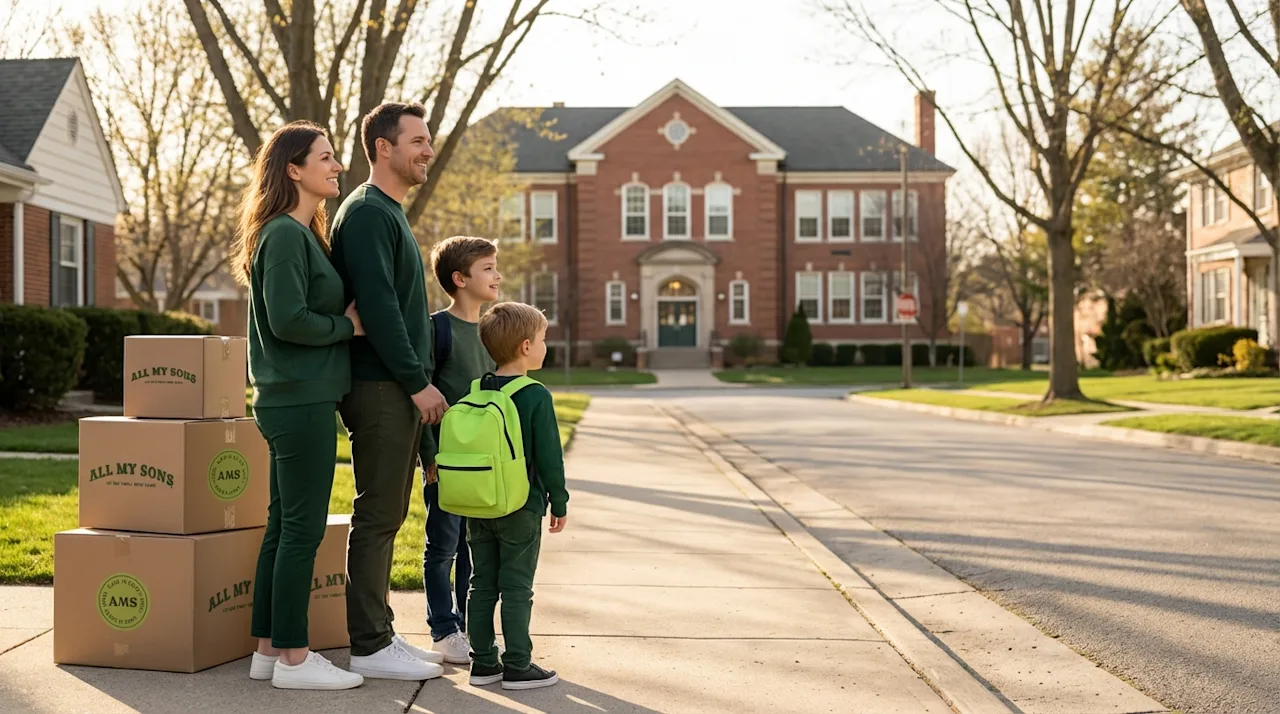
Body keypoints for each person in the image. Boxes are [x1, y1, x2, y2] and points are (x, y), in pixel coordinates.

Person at [235, 121, 364, 690]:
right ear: (294, 169)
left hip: (293, 397)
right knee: (301, 532)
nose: (337, 166)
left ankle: (266, 649)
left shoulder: (298, 232)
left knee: (283, 526)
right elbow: (288, 320)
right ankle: (294, 657)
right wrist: (348, 325)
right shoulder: (285, 234)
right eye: (327, 157)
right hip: (299, 398)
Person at [329, 102, 447, 681]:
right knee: (377, 516)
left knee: (390, 514)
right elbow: (377, 308)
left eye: (429, 140)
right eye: (418, 140)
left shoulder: (388, 212)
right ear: (382, 146)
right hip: (379, 386)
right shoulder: (370, 213)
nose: (428, 149)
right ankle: (370, 645)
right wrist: (417, 382)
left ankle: (382, 636)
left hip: (391, 385)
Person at [466, 302, 570, 691]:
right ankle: (518, 666)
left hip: (479, 504)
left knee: (481, 584)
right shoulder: (534, 395)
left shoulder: (476, 389)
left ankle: (483, 663)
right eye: (544, 339)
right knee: (516, 587)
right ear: (526, 346)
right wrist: (558, 502)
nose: (546, 346)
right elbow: (549, 458)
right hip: (520, 507)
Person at [419, 236, 502, 664]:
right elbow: (421, 398)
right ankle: (443, 629)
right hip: (446, 463)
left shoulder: (493, 333)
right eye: (487, 267)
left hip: (486, 466)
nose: (497, 275)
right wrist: (428, 456)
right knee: (443, 546)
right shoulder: (437, 330)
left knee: (476, 548)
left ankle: (470, 628)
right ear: (460, 278)